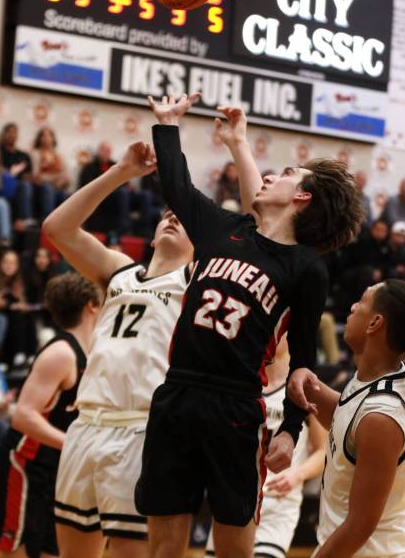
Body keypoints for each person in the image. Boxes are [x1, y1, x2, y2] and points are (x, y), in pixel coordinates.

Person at [136, 95, 364, 558]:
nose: (271, 177)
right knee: (162, 551)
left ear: (302, 196)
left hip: (236, 408)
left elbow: (304, 364)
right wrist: (168, 125)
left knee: (234, 549)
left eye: (284, 174)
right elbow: (177, 185)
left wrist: (290, 431)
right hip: (177, 394)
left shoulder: (305, 268)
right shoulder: (225, 229)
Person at [44, 144, 195, 558]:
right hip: (86, 423)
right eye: (166, 214)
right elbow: (57, 227)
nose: (171, 218)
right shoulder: (119, 270)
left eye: (183, 219)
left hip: (140, 428)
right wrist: (121, 172)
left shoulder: (197, 282)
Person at [288, 280, 405, 558]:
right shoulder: (381, 373)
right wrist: (307, 386)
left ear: (375, 323)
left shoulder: (382, 416)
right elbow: (346, 423)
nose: (353, 306)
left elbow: (360, 525)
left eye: (362, 302)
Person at [0, 274, 97, 558]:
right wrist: (75, 444)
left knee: (53, 550)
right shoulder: (61, 353)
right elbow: (23, 416)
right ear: (91, 306)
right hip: (24, 465)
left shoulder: (94, 352)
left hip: (56, 468)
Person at [204, 335, 328, 558]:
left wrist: (297, 475)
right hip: (235, 497)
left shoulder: (306, 386)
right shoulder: (242, 380)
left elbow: (322, 452)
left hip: (278, 502)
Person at [0, 123, 36, 224]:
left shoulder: (23, 155)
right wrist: (10, 173)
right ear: (3, 134)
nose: (12, 135)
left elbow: (30, 174)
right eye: (9, 132)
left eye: (14, 132)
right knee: (24, 185)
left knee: (41, 187)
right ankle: (25, 218)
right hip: (5, 185)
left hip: (23, 183)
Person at [31, 126, 71, 221]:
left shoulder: (59, 156)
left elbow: (67, 178)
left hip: (58, 188)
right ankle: (47, 221)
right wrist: (54, 178)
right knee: (48, 189)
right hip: (41, 188)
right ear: (39, 139)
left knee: (67, 196)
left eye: (49, 135)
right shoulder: (35, 154)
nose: (46, 138)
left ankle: (65, 226)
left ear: (53, 138)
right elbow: (36, 176)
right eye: (43, 135)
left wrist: (59, 181)